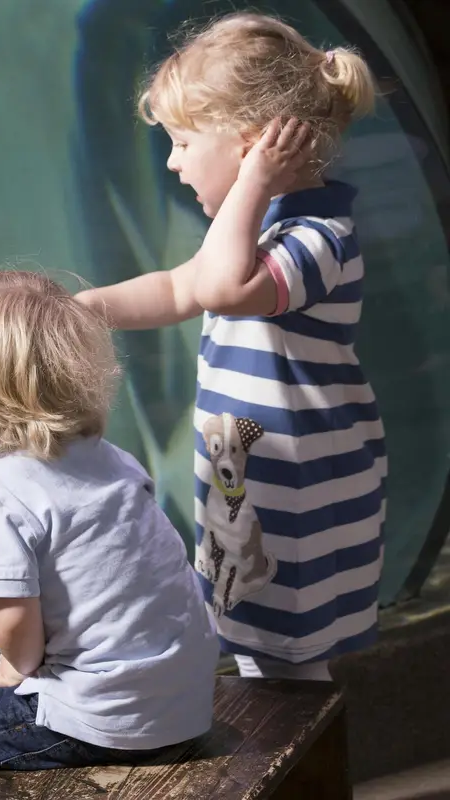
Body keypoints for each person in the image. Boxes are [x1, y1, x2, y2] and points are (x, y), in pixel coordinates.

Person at [74, 11, 385, 682]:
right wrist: (82, 310)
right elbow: (175, 289)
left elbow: (214, 287)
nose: (172, 161)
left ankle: (304, 774)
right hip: (251, 487)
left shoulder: (316, 241)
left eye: (185, 141)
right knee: (257, 649)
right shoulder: (254, 241)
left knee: (288, 667)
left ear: (252, 147)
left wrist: (252, 185)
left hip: (299, 495)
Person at [0, 270, 218, 800]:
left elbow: (18, 633)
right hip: (181, 694)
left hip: (114, 717)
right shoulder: (108, 457)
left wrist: (14, 667)